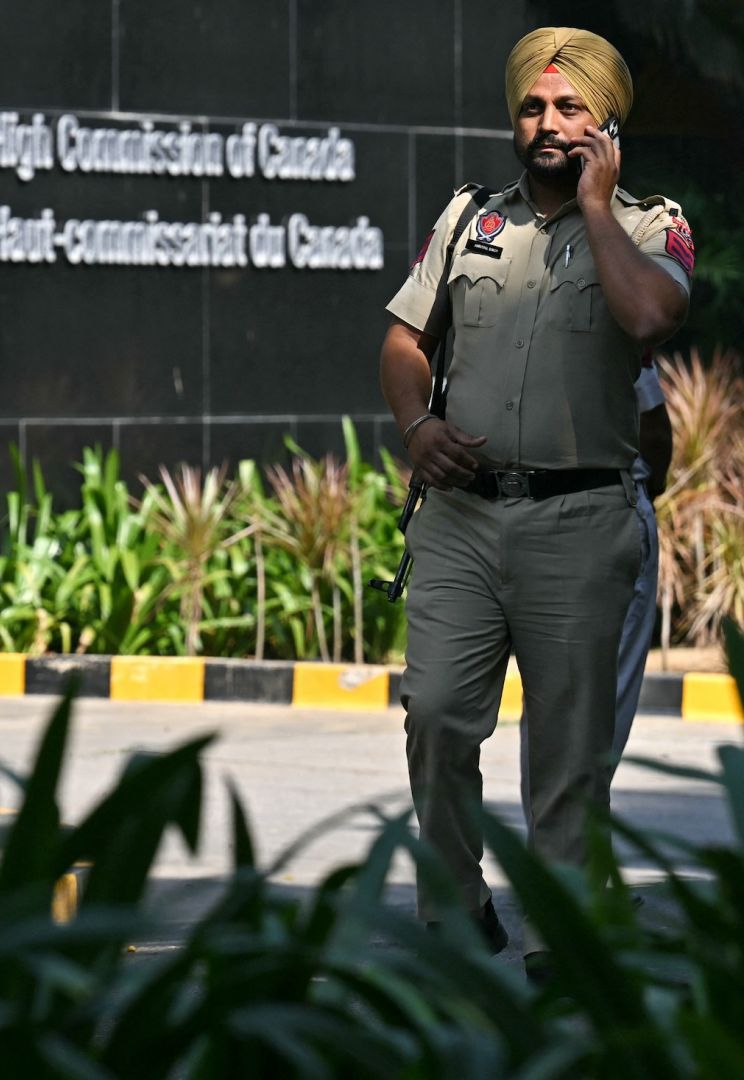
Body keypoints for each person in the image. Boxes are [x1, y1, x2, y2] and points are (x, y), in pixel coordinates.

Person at [378, 26, 693, 971]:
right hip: (464, 520)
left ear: (607, 122)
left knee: (567, 753)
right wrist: (415, 426)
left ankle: (564, 931)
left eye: (569, 108)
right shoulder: (471, 216)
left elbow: (648, 315)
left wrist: (597, 206)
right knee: (434, 714)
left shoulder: (651, 225)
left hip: (581, 524)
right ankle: (457, 906)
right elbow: (404, 340)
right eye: (533, 106)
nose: (549, 123)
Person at [519, 360, 673, 829]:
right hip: (605, 510)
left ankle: (566, 867)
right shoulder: (608, 304)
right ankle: (570, 874)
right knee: (591, 702)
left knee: (558, 705)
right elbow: (654, 421)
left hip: (532, 512)